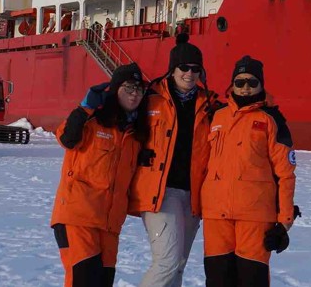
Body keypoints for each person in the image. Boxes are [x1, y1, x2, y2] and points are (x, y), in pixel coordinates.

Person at [129, 33, 222, 287]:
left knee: (178, 265)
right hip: (159, 192)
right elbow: (117, 121)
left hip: (192, 195)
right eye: (184, 67)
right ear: (172, 69)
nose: (189, 74)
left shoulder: (210, 104)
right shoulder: (149, 97)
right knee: (167, 262)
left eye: (195, 68)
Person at [201, 56, 297, 287]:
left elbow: (285, 173)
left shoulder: (272, 120)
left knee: (251, 279)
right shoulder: (217, 116)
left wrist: (284, 222)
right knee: (217, 279)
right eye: (240, 82)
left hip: (254, 216)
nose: (245, 88)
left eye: (252, 83)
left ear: (261, 85)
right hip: (216, 214)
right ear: (232, 85)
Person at [51, 63, 148, 287]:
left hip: (109, 224)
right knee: (83, 281)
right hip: (78, 217)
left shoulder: (134, 136)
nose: (135, 94)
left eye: (139, 89)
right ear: (114, 89)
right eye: (129, 87)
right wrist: (83, 109)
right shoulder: (93, 121)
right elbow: (66, 138)